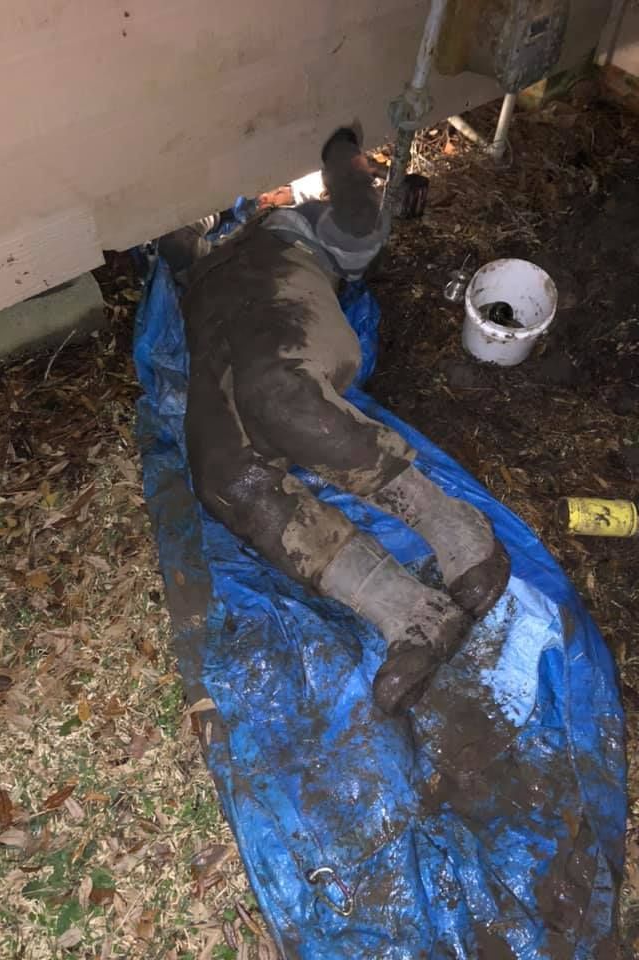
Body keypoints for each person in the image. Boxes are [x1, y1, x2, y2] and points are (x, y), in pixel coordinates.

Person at [156, 125, 510, 717]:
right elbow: (166, 235)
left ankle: (451, 523)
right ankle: (413, 618)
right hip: (214, 338)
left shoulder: (301, 224)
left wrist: (343, 158)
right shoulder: (195, 261)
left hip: (282, 304)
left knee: (281, 396)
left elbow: (359, 224)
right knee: (224, 478)